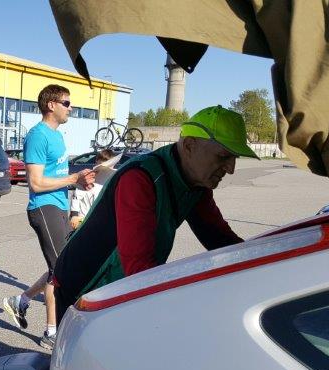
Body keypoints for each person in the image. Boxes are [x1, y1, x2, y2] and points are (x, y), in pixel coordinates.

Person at [53, 105, 258, 323]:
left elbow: (219, 238)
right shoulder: (141, 178)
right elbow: (140, 270)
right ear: (190, 145)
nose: (231, 168)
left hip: (120, 286)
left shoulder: (197, 183)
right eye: (223, 156)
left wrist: (262, 263)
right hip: (85, 288)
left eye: (234, 158)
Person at [1, 84, 94, 350]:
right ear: (51, 105)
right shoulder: (38, 136)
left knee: (61, 266)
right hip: (44, 207)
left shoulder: (57, 136)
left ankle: (22, 301)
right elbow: (36, 183)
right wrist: (73, 179)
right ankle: (52, 333)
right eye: (67, 103)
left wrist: (80, 181)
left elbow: (59, 176)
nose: (71, 108)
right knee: (62, 270)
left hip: (59, 206)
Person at [69, 148, 115, 230]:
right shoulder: (88, 177)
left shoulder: (115, 178)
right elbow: (76, 197)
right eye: (101, 166)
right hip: (85, 220)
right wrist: (74, 215)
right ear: (96, 163)